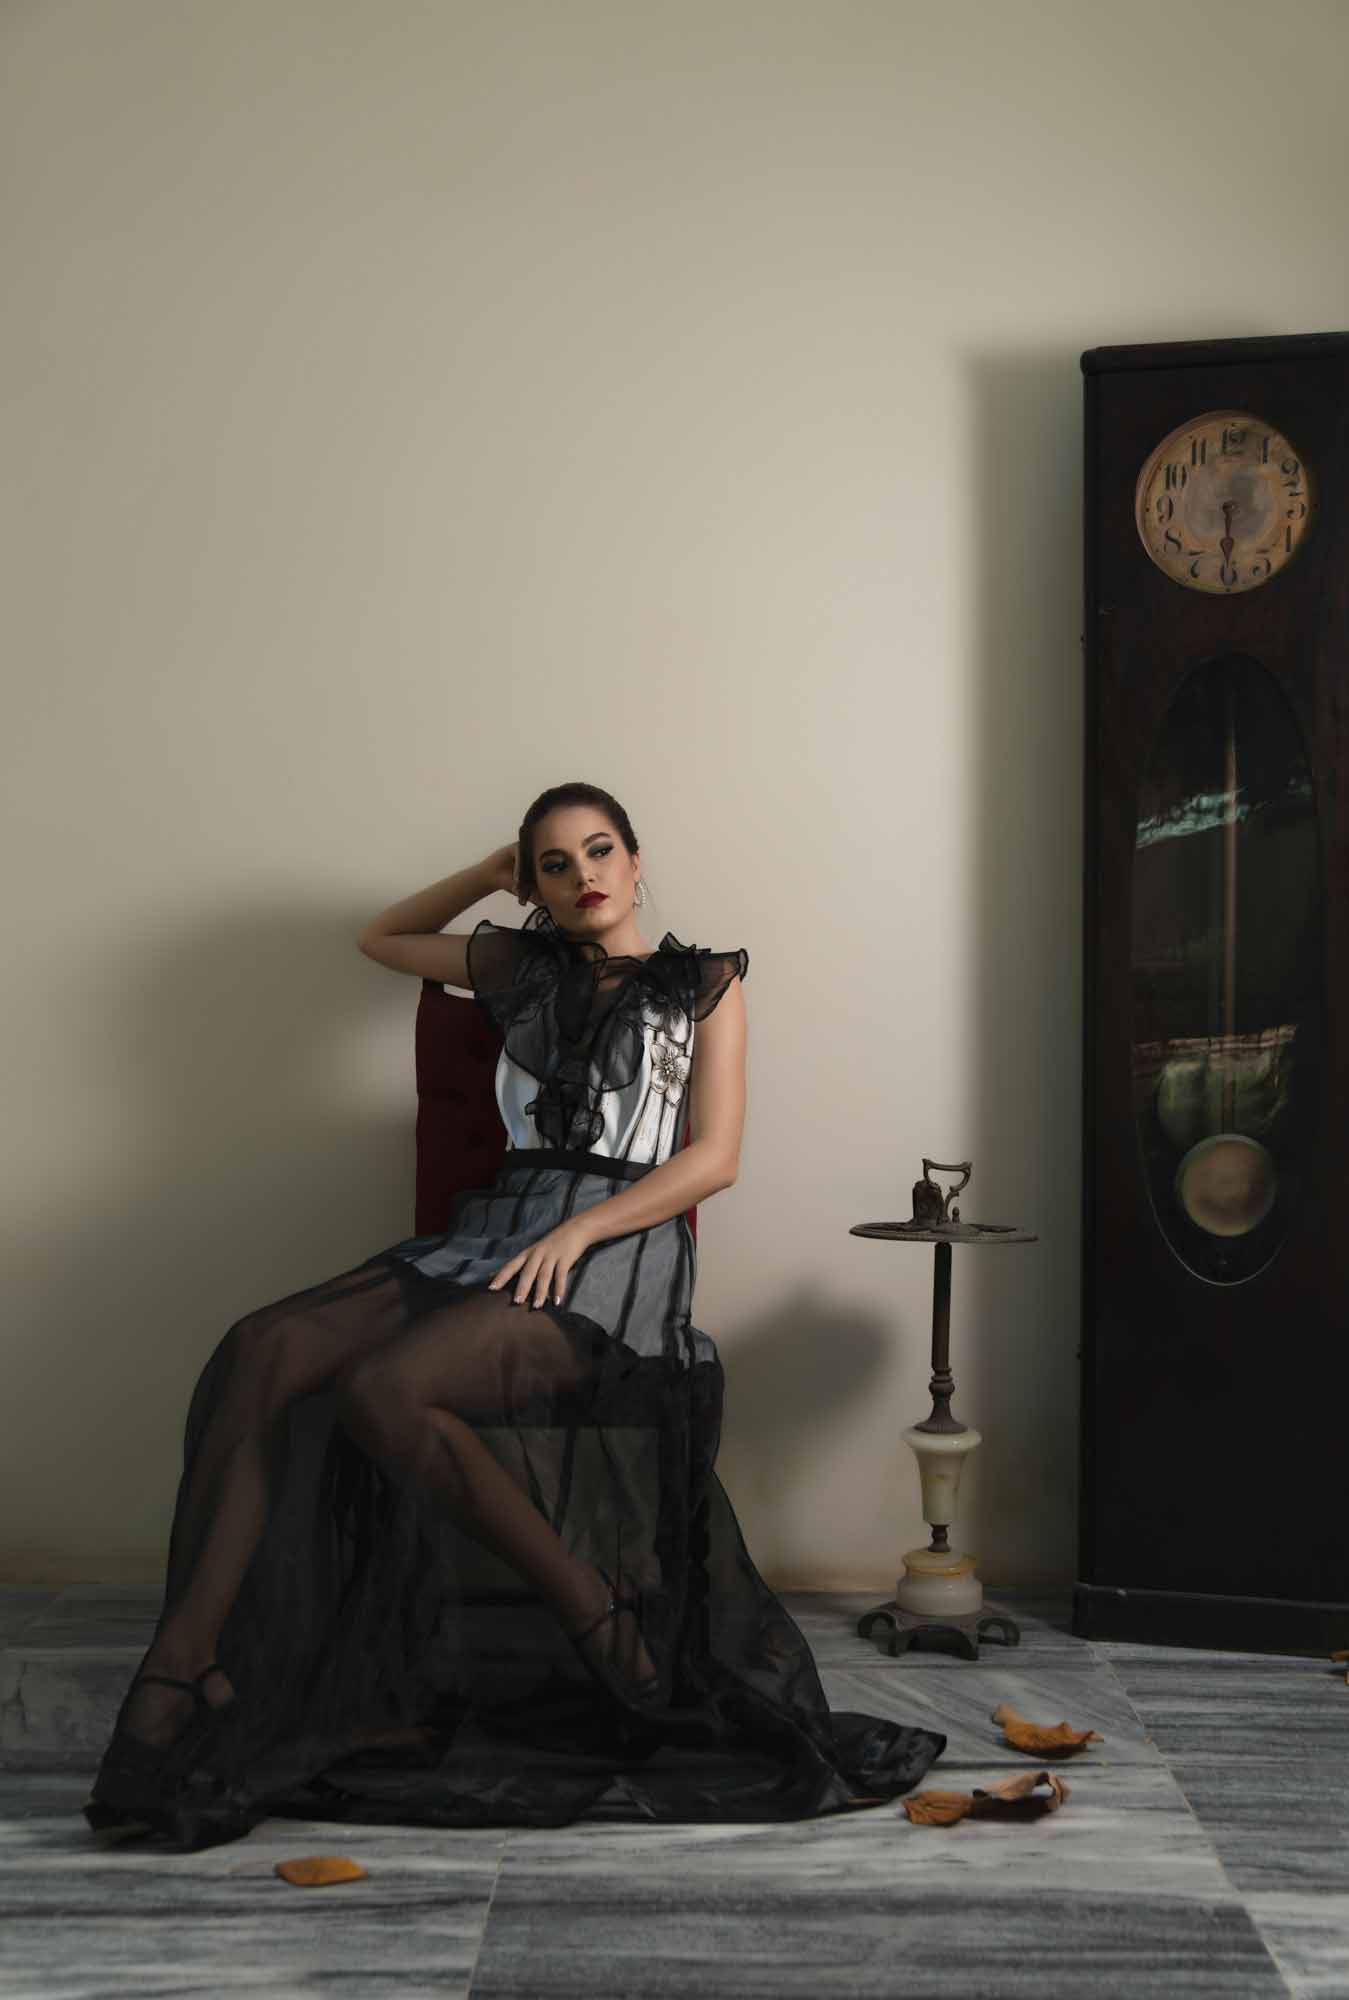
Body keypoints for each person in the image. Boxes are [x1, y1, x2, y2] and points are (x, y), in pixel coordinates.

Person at [84, 781, 946, 1850]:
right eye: (553, 863)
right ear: (533, 885)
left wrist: (581, 1234)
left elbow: (713, 1158)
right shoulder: (519, 969)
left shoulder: (703, 982)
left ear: (636, 861)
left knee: (386, 1389)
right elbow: (379, 938)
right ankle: (186, 1663)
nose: (583, 875)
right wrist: (487, 874)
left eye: (600, 850)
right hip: (493, 1227)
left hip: (614, 1251)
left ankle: (593, 1612)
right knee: (264, 1346)